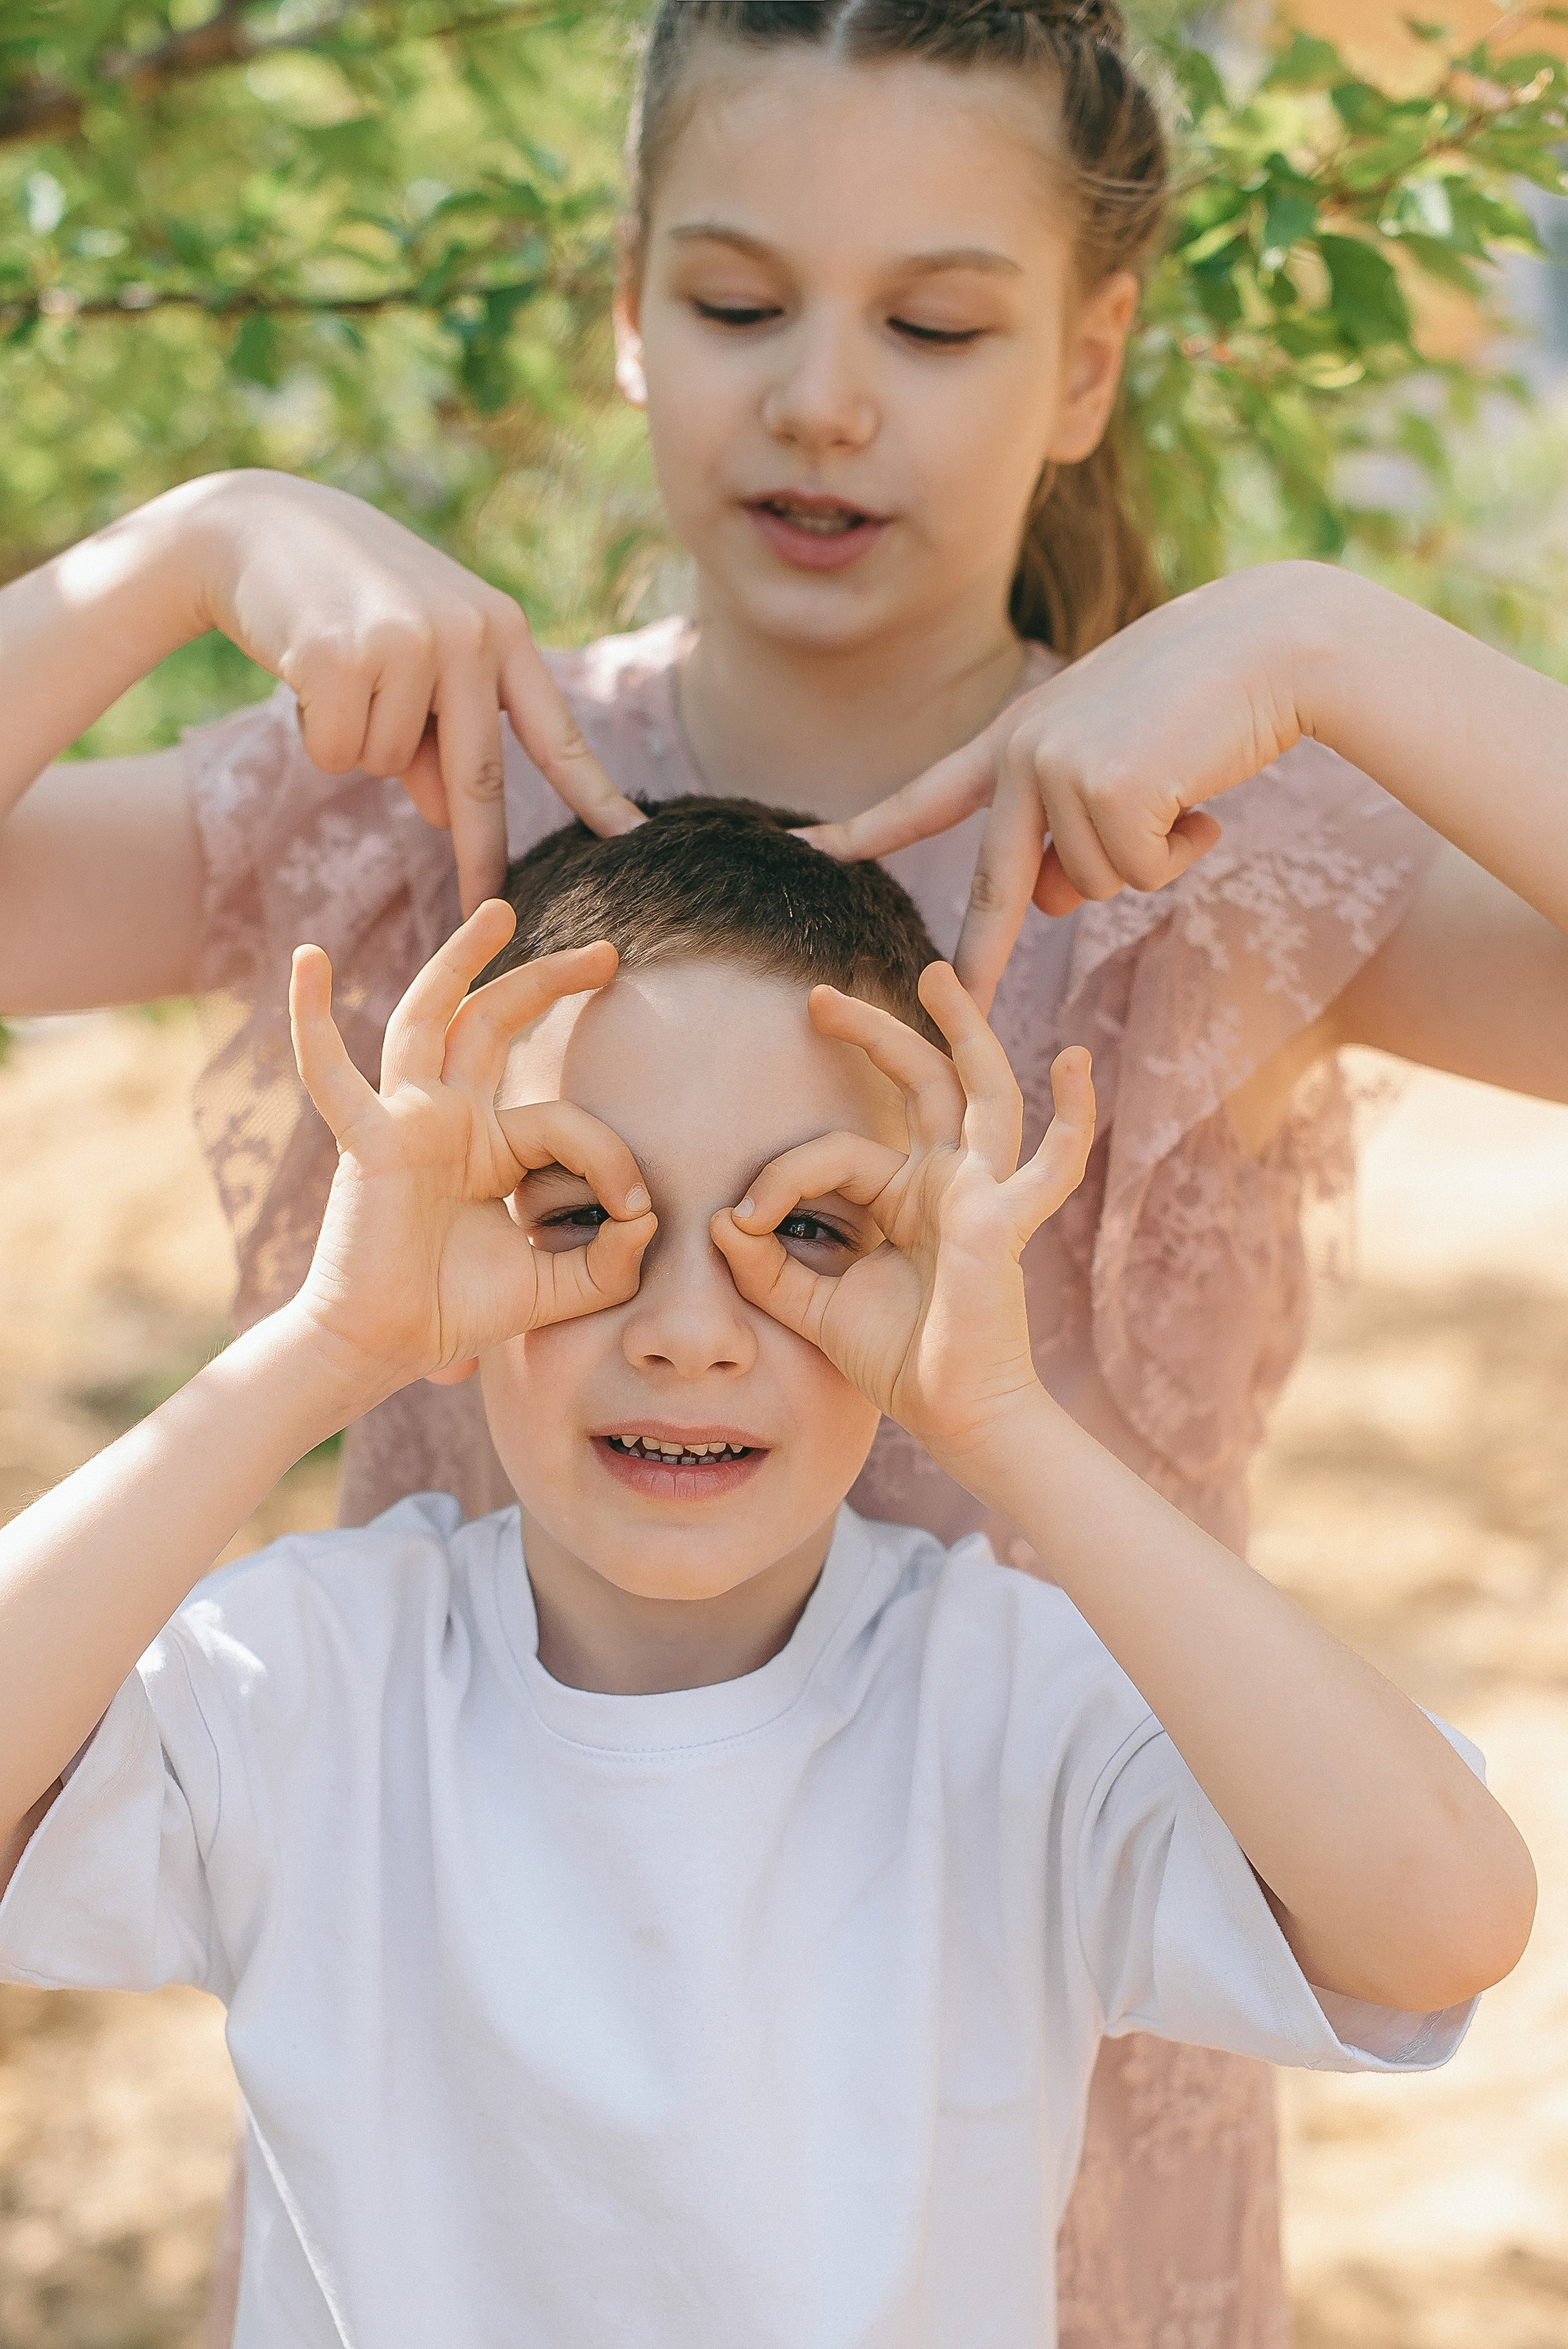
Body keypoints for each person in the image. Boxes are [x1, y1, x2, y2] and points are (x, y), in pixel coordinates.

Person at [1, 2, 1565, 2337]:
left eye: (937, 323)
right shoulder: (418, 801)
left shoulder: (1212, 855)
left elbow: (1431, 1907)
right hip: (472, 2107)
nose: (824, 396)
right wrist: (180, 548)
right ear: (626, 308)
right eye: (739, 303)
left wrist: (1323, 637)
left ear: (1089, 357)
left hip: (1049, 2090)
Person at [0, 798, 1536, 2349]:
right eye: (579, 1214)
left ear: (928, 1257)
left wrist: (1000, 1422)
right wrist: (329, 1347)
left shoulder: (1004, 1707)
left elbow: (1443, 1919)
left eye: (807, 1227)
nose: (687, 1330)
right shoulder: (316, 1677)